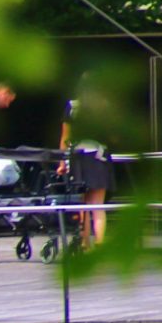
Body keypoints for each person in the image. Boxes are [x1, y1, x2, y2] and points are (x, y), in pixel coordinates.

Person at [58, 96, 111, 247]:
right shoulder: (105, 105)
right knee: (98, 205)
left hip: (79, 157)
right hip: (99, 155)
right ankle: (100, 243)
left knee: (83, 203)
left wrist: (62, 162)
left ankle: (85, 243)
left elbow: (65, 137)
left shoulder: (73, 106)